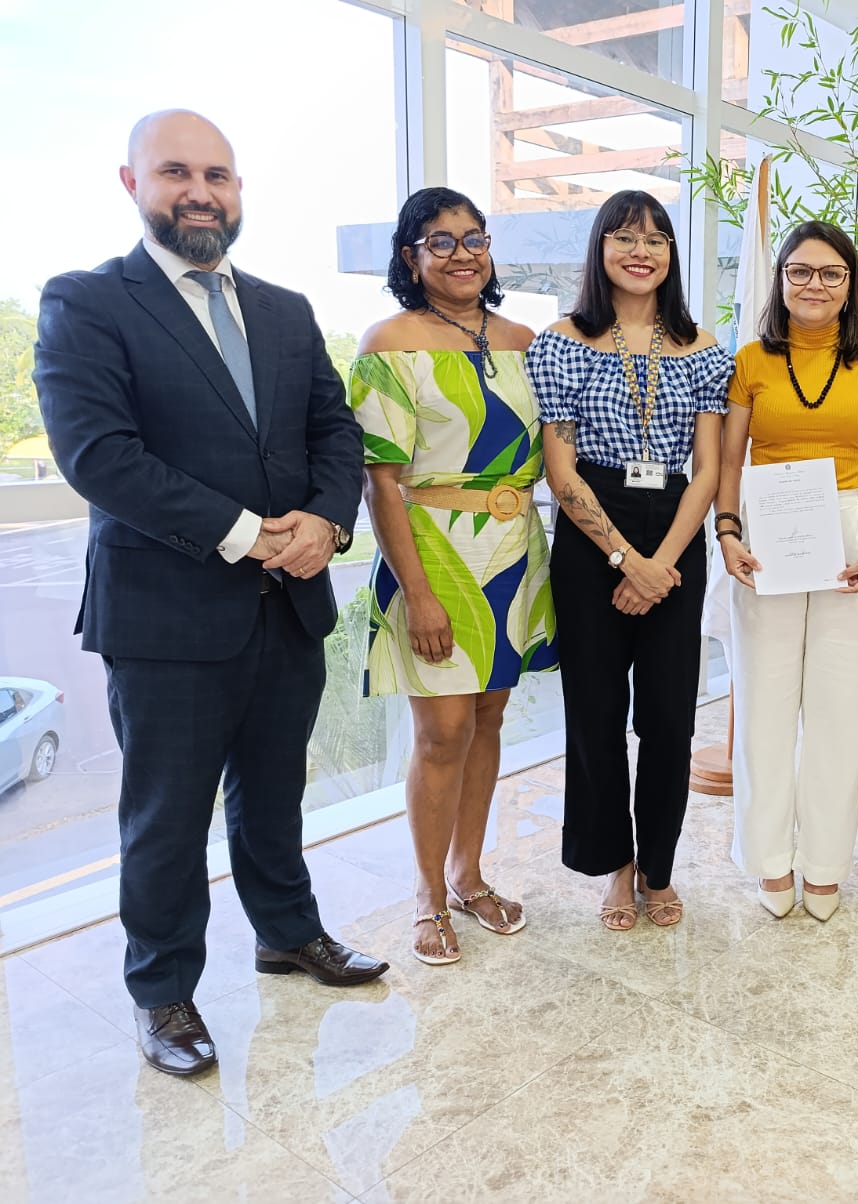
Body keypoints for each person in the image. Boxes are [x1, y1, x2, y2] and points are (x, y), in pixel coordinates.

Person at [32, 111, 387, 1077]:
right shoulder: (86, 302)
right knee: (167, 814)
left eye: (219, 176)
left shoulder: (282, 308)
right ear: (131, 182)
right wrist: (247, 535)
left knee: (275, 791)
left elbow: (336, 434)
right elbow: (99, 457)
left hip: (291, 601)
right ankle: (163, 993)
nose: (201, 192)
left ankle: (286, 931)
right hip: (167, 613)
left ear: (239, 191)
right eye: (176, 173)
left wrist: (326, 522)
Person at [351, 187, 557, 966]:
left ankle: (472, 876)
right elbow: (383, 482)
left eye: (475, 238)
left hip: (513, 552)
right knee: (441, 733)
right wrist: (420, 592)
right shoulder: (389, 342)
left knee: (490, 721)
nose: (463, 253)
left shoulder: (522, 339)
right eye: (441, 242)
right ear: (411, 257)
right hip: (433, 553)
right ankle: (427, 893)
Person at [526, 190, 732, 931]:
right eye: (623, 238)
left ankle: (658, 867)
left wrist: (661, 563)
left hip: (675, 524)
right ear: (600, 250)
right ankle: (614, 865)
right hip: (592, 534)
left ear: (671, 255)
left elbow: (707, 471)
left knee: (670, 717)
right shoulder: (562, 340)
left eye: (655, 240)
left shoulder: (705, 347)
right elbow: (561, 471)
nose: (640, 252)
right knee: (596, 713)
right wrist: (623, 557)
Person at [717, 221, 858, 922]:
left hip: (849, 531)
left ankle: (824, 863)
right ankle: (767, 858)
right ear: (781, 280)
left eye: (830, 273)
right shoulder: (751, 361)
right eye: (800, 271)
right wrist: (727, 530)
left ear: (850, 284)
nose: (814, 284)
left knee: (836, 707)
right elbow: (728, 462)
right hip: (766, 530)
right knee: (764, 702)